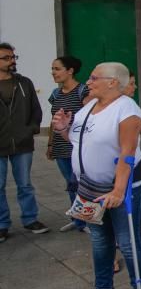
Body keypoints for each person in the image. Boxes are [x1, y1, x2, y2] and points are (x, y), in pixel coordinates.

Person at [51, 62, 141, 289]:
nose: (89, 82)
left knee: (128, 244)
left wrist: (118, 191)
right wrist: (62, 129)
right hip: (90, 190)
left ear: (112, 82)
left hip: (122, 190)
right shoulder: (88, 107)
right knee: (100, 242)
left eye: (94, 78)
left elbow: (127, 153)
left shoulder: (127, 110)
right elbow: (77, 141)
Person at [0, 42, 48, 243]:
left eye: (13, 57)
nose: (12, 61)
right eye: (6, 58)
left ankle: (30, 219)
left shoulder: (24, 83)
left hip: (22, 143)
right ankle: (2, 225)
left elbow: (36, 110)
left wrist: (31, 129)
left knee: (25, 184)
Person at [48, 55, 90, 233]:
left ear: (70, 71)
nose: (53, 72)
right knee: (70, 184)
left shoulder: (83, 91)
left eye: (57, 69)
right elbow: (53, 120)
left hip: (77, 147)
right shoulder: (55, 94)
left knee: (81, 185)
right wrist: (50, 144)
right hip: (60, 146)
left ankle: (87, 220)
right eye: (53, 69)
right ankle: (77, 220)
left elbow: (90, 119)